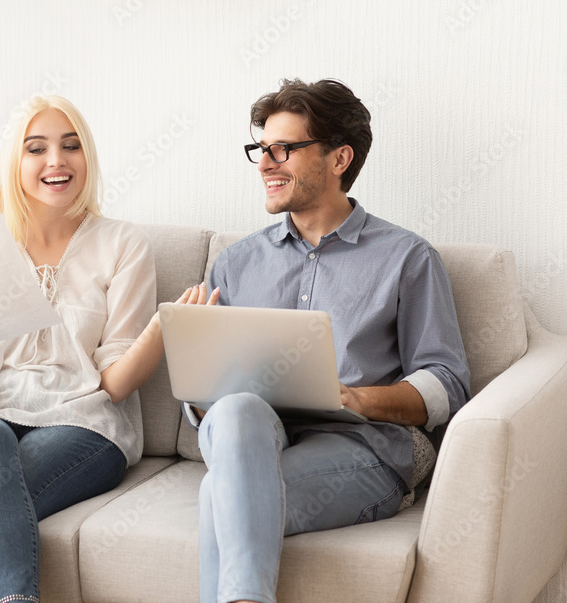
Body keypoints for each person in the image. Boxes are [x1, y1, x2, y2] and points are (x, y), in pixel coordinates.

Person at [187, 79, 471, 603]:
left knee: (218, 495)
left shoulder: (407, 257)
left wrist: (359, 397)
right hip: (254, 439)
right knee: (234, 411)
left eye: (284, 149)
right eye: (261, 149)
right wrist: (200, 366)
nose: (265, 163)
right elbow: (206, 411)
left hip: (364, 445)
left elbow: (447, 381)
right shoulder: (235, 263)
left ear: (339, 158)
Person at [0, 94, 204, 603]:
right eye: (37, 149)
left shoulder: (122, 244)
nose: (56, 160)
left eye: (70, 146)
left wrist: (165, 327)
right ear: (15, 163)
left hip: (82, 425)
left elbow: (115, 383)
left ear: (86, 158)